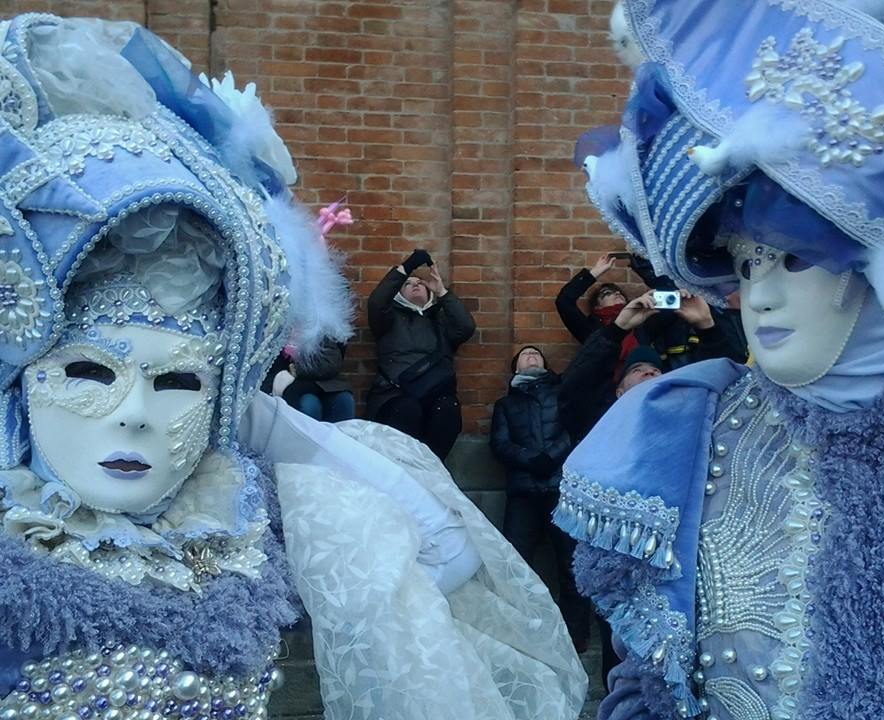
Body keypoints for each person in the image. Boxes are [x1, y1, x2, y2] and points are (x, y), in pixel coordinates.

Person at [0, 14, 587, 720]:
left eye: (178, 380)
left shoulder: (230, 509)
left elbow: (444, 547)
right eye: (89, 373)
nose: (133, 411)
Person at [555, 2, 884, 719]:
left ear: (880, 267)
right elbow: (646, 692)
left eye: (795, 259)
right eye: (745, 265)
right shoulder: (683, 435)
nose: (760, 297)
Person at [490, 346, 590, 653]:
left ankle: (576, 635)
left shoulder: (563, 394)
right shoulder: (506, 404)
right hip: (523, 491)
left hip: (561, 490)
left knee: (571, 565)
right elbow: (500, 443)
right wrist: (531, 459)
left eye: (536, 353)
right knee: (515, 563)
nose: (531, 356)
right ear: (515, 367)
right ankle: (520, 629)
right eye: (524, 354)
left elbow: (575, 431)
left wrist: (551, 457)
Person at [560, 289, 744, 445]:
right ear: (619, 392)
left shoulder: (687, 413)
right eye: (636, 370)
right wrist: (618, 328)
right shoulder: (603, 420)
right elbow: (576, 387)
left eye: (657, 371)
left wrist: (707, 326)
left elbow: (730, 385)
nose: (649, 371)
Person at [366, 251, 476, 460]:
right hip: (394, 394)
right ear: (399, 293)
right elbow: (377, 302)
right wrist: (405, 268)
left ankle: (433, 469)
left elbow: (465, 327)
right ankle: (407, 471)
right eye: (408, 283)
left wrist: (442, 292)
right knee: (408, 409)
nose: (416, 284)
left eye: (421, 283)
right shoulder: (388, 319)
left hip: (433, 393)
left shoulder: (439, 321)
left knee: (448, 409)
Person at [555, 253, 745, 374]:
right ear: (596, 306)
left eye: (620, 293)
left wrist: (640, 264)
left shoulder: (644, 322)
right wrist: (594, 272)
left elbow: (668, 294)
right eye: (607, 294)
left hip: (649, 379)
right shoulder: (591, 329)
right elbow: (564, 302)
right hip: (607, 388)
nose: (617, 295)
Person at [281, 338, 355, 422]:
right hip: (293, 385)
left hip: (326, 383)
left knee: (344, 400)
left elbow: (330, 364)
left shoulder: (324, 329)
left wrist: (296, 369)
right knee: (309, 403)